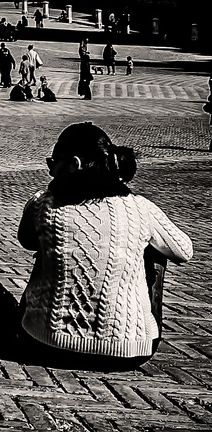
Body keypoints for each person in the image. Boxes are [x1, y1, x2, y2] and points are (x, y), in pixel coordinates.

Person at [18, 123, 193, 368]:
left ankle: (50, 317)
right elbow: (184, 251)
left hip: (45, 344)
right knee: (153, 250)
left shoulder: (42, 203)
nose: (50, 172)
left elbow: (26, 240)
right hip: (129, 353)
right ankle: (132, 323)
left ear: (74, 164)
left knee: (47, 245)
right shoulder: (140, 208)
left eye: (52, 163)